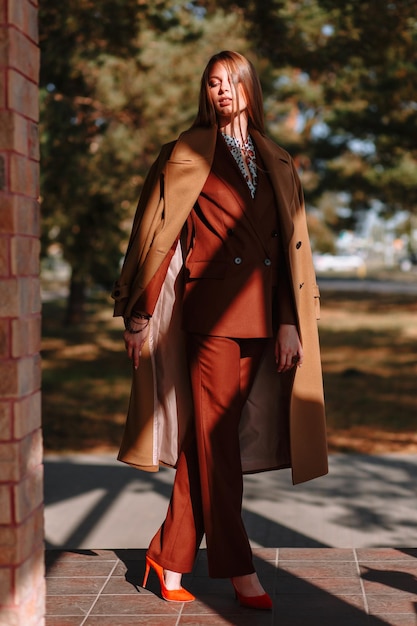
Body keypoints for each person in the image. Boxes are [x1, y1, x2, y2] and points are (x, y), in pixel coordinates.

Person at [112, 50, 328, 609]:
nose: (223, 91)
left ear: (250, 89)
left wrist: (288, 323)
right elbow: (156, 240)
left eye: (233, 82)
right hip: (207, 315)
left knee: (209, 443)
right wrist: (138, 315)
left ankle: (167, 555)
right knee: (216, 443)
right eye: (213, 83)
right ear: (204, 91)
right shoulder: (183, 153)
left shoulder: (276, 158)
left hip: (262, 316)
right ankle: (239, 570)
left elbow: (286, 251)